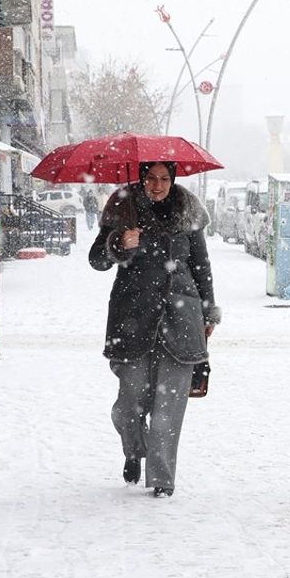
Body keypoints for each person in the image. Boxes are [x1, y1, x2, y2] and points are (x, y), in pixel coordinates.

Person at [89, 162, 220, 498]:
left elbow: (201, 266)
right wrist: (119, 242)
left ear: (173, 180)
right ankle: (134, 449)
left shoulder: (187, 210)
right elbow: (97, 259)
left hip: (182, 316)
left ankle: (162, 479)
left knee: (168, 409)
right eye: (151, 178)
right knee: (129, 404)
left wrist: (208, 311)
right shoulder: (123, 205)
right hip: (133, 318)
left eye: (164, 179)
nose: (158, 185)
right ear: (142, 178)